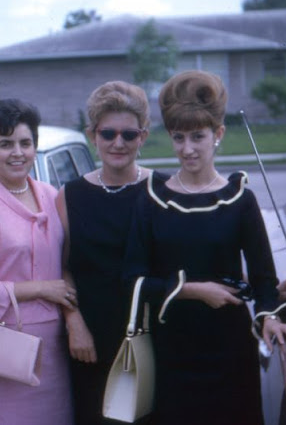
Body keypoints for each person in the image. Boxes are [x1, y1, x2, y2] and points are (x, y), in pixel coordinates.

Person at [123, 70, 286, 425]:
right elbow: (131, 280)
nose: (187, 148)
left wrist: (269, 317)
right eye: (178, 137)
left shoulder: (240, 199)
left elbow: (265, 282)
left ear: (218, 134)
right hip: (171, 350)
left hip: (230, 350)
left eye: (197, 136)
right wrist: (192, 290)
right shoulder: (150, 200)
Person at [0, 99, 76, 425]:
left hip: (53, 348)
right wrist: (41, 288)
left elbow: (69, 260)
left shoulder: (51, 196)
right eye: (5, 144)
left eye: (25, 143)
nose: (17, 152)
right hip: (4, 347)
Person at [56, 80, 164, 424]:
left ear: (143, 137)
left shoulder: (162, 189)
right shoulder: (69, 196)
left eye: (129, 135)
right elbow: (59, 267)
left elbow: (189, 256)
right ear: (92, 135)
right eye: (108, 134)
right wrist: (73, 322)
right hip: (90, 341)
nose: (118, 143)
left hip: (154, 336)